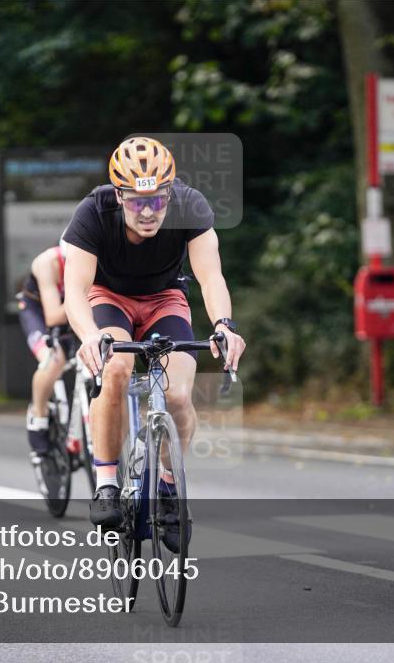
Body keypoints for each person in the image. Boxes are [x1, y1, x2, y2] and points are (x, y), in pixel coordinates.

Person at [62, 136, 246, 547]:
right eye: (135, 202)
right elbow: (74, 288)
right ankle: (107, 481)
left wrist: (223, 325)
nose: (147, 212)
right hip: (109, 297)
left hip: (165, 297)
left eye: (158, 201)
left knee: (179, 395)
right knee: (115, 369)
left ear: (169, 192)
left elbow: (210, 275)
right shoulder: (93, 211)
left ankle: (166, 485)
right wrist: (90, 336)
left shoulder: (190, 205)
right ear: (119, 194)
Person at [17, 244, 71, 494]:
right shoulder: (47, 262)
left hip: (72, 311)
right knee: (53, 359)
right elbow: (54, 318)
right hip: (39, 312)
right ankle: (38, 415)